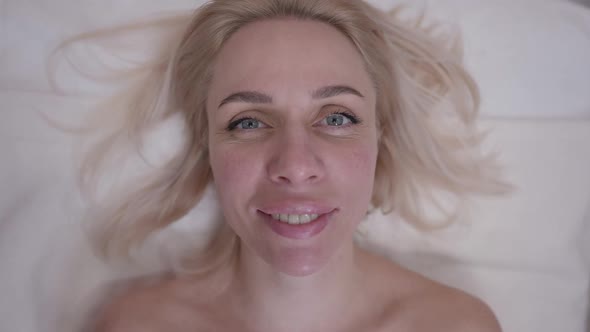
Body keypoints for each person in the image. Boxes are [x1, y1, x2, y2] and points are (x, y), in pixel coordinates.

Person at [72, 0, 509, 331]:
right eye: (247, 122)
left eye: (336, 118)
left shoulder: (456, 325)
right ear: (208, 148)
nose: (296, 166)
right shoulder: (135, 325)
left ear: (382, 139)